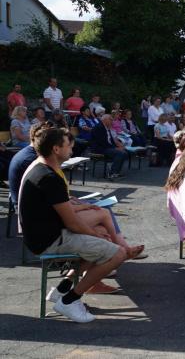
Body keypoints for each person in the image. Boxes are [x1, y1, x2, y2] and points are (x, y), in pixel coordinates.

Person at [19, 127, 144, 322]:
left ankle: (62, 289)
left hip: (44, 234)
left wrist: (97, 233)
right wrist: (96, 236)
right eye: (68, 145)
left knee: (102, 233)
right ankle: (69, 301)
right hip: (49, 239)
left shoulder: (41, 168)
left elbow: (66, 215)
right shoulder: (50, 177)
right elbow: (73, 224)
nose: (72, 149)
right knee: (117, 253)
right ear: (56, 149)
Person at [90, 114, 128, 179]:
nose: (112, 121)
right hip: (100, 149)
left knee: (124, 152)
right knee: (120, 153)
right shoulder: (98, 127)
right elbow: (102, 142)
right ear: (105, 120)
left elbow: (110, 140)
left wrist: (118, 147)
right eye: (110, 119)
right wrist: (115, 148)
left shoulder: (106, 127)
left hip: (106, 147)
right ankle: (112, 173)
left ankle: (116, 172)